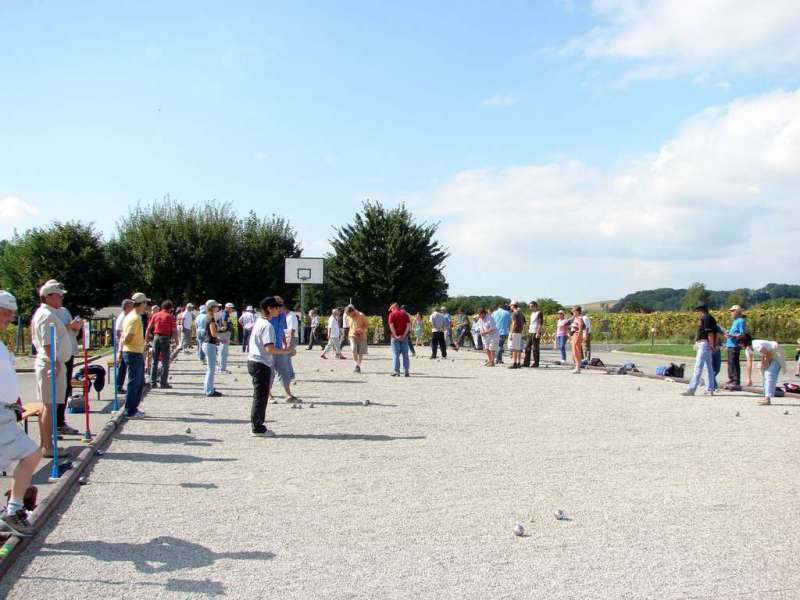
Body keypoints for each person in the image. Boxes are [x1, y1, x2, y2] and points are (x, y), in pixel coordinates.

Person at [0, 291, 42, 536]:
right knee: (32, 454)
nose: (10, 318)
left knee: (30, 455)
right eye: (6, 313)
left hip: (5, 410)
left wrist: (13, 400)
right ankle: (13, 509)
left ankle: (12, 509)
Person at [31, 280, 73, 457]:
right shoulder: (46, 315)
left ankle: (47, 444)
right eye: (58, 294)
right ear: (48, 296)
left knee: (50, 405)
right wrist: (55, 363)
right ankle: (47, 446)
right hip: (50, 363)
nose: (62, 297)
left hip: (53, 362)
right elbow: (48, 343)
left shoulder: (49, 313)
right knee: (50, 405)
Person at [248, 296, 296, 437]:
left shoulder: (259, 321)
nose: (279, 309)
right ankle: (257, 428)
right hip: (260, 363)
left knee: (260, 396)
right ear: (269, 308)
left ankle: (257, 425)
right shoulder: (267, 326)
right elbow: (269, 349)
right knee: (260, 397)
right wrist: (287, 351)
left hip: (254, 361)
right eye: (276, 307)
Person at [55, 302, 83, 436]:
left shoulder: (65, 310)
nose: (61, 297)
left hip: (69, 352)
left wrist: (76, 326)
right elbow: (54, 331)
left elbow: (72, 330)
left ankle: (61, 421)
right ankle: (55, 424)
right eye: (58, 294)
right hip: (58, 356)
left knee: (65, 389)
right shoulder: (48, 313)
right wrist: (70, 326)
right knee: (57, 392)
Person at [122, 292, 150, 417]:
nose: (146, 305)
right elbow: (128, 336)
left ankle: (133, 408)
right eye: (145, 303)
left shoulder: (131, 316)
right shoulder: (135, 318)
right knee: (135, 383)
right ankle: (130, 409)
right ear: (142, 303)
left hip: (134, 351)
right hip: (133, 352)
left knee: (137, 382)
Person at [682, 304, 718, 397]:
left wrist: (711, 345)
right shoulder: (710, 318)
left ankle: (692, 388)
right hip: (705, 343)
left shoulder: (706, 318)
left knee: (698, 367)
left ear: (701, 310)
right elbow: (714, 333)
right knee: (709, 367)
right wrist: (712, 345)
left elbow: (710, 333)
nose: (697, 313)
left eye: (698, 311)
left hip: (704, 344)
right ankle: (710, 388)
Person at [739, 334, 785, 405]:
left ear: (744, 342)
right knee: (763, 372)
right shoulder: (748, 349)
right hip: (769, 354)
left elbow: (768, 354)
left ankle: (767, 399)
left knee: (769, 374)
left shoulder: (756, 345)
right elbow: (749, 363)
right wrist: (749, 378)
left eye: (740, 343)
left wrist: (763, 364)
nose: (739, 345)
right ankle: (766, 396)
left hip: (777, 353)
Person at [270, 296, 300, 402]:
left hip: (279, 347)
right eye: (279, 305)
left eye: (282, 305)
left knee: (284, 371)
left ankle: (288, 394)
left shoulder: (283, 316)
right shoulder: (268, 318)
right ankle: (269, 395)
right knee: (270, 373)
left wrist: (286, 343)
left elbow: (283, 330)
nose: (281, 307)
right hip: (269, 349)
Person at [146, 300, 178, 389]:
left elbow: (149, 328)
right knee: (165, 362)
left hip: (156, 338)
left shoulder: (155, 315)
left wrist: (146, 339)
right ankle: (163, 383)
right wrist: (176, 342)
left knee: (154, 361)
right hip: (165, 338)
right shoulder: (170, 317)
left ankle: (153, 382)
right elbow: (175, 331)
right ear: (170, 308)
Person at [202, 300, 223, 397]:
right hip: (210, 344)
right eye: (216, 307)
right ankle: (209, 390)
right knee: (211, 369)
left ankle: (207, 388)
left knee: (209, 369)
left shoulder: (208, 317)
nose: (218, 308)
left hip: (208, 343)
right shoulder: (211, 318)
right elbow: (213, 333)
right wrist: (219, 337)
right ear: (212, 307)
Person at [724, 305, 747, 390]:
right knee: (730, 363)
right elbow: (735, 332)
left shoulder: (741, 321)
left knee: (734, 363)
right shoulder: (735, 321)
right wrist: (728, 333)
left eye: (732, 311)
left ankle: (736, 380)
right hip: (730, 344)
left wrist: (731, 335)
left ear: (737, 312)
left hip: (735, 345)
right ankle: (731, 379)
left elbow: (742, 334)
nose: (731, 313)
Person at [114, 299, 134, 393]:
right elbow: (118, 332)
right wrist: (121, 348)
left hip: (124, 344)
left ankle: (119, 385)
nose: (133, 308)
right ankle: (118, 386)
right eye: (131, 306)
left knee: (124, 367)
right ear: (126, 307)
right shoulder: (123, 317)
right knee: (122, 367)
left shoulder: (127, 316)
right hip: (122, 345)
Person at [388, 302, 411, 377]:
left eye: (391, 309)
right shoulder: (405, 314)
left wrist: (395, 335)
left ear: (394, 308)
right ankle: (406, 371)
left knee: (396, 355)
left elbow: (391, 326)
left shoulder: (392, 315)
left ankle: (396, 371)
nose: (390, 311)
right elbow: (408, 326)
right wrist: (404, 335)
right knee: (405, 355)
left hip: (395, 338)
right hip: (404, 337)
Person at [345, 304, 369, 373]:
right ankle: (356, 364)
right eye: (347, 314)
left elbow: (367, 325)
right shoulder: (348, 317)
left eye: (349, 314)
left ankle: (358, 366)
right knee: (353, 349)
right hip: (352, 335)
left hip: (362, 336)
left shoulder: (361, 315)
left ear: (353, 311)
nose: (348, 316)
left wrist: (362, 330)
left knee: (360, 352)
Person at [523, 301, 543, 368]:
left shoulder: (539, 313)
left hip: (535, 331)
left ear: (535, 306)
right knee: (527, 347)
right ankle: (526, 362)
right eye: (530, 306)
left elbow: (540, 323)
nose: (530, 307)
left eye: (531, 306)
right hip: (530, 331)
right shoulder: (532, 313)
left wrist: (538, 332)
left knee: (535, 348)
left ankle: (536, 363)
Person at [216, 303, 234, 374]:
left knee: (221, 351)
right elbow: (224, 321)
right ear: (227, 308)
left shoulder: (223, 313)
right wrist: (225, 327)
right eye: (231, 307)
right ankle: (222, 368)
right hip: (224, 334)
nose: (232, 309)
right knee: (224, 351)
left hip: (223, 334)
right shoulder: (225, 313)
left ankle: (220, 367)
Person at [508, 302, 526, 369]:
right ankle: (518, 363)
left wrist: (511, 333)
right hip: (519, 332)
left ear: (513, 306)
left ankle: (514, 363)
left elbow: (514, 323)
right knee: (518, 348)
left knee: (514, 349)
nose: (510, 307)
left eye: (511, 306)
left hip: (515, 332)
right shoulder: (520, 313)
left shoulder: (514, 313)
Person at [569, 306, 585, 374]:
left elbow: (581, 328)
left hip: (577, 335)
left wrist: (579, 336)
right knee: (574, 351)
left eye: (574, 311)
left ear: (578, 311)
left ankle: (578, 368)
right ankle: (577, 367)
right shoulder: (575, 318)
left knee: (577, 351)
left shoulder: (580, 318)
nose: (573, 313)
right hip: (574, 335)